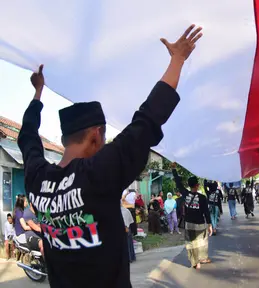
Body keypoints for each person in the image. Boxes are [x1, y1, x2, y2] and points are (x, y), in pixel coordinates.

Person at [17, 24, 203, 288]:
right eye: (103, 138)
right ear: (96, 135)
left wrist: (37, 94)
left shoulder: (37, 179)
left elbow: (27, 138)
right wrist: (178, 59)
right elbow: (147, 120)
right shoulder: (97, 173)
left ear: (64, 139)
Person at [172, 163, 212, 270]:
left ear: (189, 185)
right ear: (197, 185)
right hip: (200, 224)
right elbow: (206, 212)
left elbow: (178, 183)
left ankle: (195, 262)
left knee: (192, 243)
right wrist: (209, 224)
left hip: (188, 223)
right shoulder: (203, 198)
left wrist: (174, 169)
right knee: (201, 242)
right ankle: (202, 258)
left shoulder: (185, 194)